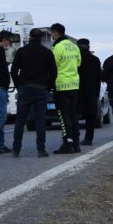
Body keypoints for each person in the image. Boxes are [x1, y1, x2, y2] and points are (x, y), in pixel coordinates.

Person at [10, 28, 57, 158]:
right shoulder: (47, 53)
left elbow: (14, 71)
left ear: (29, 37)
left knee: (20, 120)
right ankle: (41, 149)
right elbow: (53, 73)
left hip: (25, 88)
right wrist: (48, 87)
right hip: (41, 89)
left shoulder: (21, 51)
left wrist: (19, 86)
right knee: (40, 121)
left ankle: (16, 149)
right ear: (41, 38)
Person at [49, 23, 82, 154]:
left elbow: (53, 65)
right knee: (73, 115)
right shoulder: (74, 46)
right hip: (74, 84)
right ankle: (76, 143)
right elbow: (79, 63)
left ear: (56, 33)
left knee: (64, 116)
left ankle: (67, 144)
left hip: (62, 85)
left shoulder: (57, 47)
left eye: (52, 33)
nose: (51, 36)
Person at [76, 38, 101, 146]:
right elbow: (99, 78)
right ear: (89, 47)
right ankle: (88, 138)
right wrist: (97, 93)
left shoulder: (76, 59)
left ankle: (74, 138)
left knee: (75, 115)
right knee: (90, 117)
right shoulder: (95, 59)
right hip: (91, 92)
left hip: (77, 91)